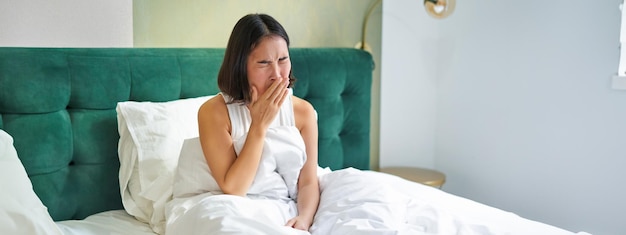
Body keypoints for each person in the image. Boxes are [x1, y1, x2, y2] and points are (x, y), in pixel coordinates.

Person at [196, 13, 320, 232]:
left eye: (283, 60)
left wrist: (305, 218)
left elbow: (308, 181)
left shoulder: (303, 112)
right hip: (234, 205)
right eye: (264, 63)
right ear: (240, 65)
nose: (277, 75)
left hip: (288, 206)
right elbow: (234, 188)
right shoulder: (213, 113)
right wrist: (259, 126)